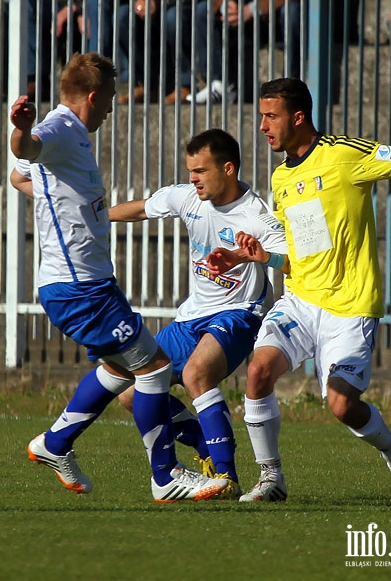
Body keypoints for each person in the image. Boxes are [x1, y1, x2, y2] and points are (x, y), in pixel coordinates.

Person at [207, 77, 391, 503]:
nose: (262, 126)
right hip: (300, 299)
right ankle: (271, 478)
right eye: (261, 116)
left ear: (298, 117)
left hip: (350, 306)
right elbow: (299, 254)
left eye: (270, 116)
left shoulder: (344, 155)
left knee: (341, 405)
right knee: (257, 374)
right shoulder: (280, 178)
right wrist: (257, 257)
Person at [10, 52, 228, 502]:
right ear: (92, 97)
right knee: (154, 368)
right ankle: (165, 477)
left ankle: (54, 444)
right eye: (109, 99)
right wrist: (21, 129)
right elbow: (25, 150)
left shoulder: (71, 135)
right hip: (78, 288)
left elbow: (19, 176)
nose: (112, 108)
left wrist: (57, 197)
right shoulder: (61, 129)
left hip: (92, 283)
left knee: (116, 368)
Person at [106, 129, 289, 499]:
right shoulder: (188, 198)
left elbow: (293, 262)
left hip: (239, 313)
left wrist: (262, 257)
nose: (193, 179)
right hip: (192, 316)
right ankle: (204, 444)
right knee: (130, 390)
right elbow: (141, 208)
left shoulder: (256, 216)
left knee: (196, 374)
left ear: (228, 168)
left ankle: (226, 475)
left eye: (201, 171)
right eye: (190, 170)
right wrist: (94, 219)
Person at [187, 0, 301, 105]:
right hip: (241, 15)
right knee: (203, 9)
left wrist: (251, 10)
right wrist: (225, 4)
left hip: (273, 17)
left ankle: (290, 88)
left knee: (292, 11)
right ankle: (218, 85)